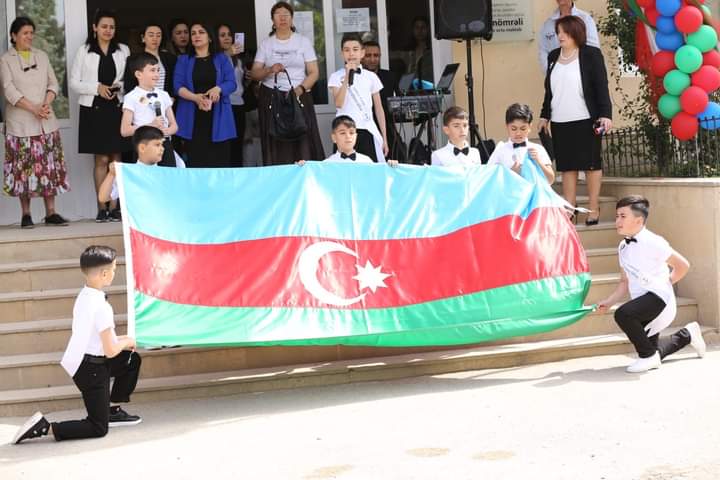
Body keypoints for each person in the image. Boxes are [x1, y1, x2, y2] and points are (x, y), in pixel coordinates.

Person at [13, 245, 142, 444]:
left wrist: (124, 342)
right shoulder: (102, 307)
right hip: (92, 369)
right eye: (114, 270)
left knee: (130, 360)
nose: (115, 273)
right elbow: (109, 350)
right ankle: (44, 428)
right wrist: (129, 340)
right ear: (104, 273)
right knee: (98, 427)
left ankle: (112, 410)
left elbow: (103, 341)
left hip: (85, 361)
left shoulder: (85, 294)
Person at [597, 195, 705, 373]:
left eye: (623, 216)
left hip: (658, 298)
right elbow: (624, 281)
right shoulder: (623, 247)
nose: (618, 220)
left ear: (638, 220)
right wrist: (609, 301)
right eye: (617, 216)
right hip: (642, 301)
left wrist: (666, 283)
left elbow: (682, 265)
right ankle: (688, 335)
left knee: (624, 315)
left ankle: (646, 357)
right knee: (653, 349)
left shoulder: (653, 241)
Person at [539, 15, 611, 225]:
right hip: (560, 120)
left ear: (576, 33)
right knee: (567, 166)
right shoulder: (553, 56)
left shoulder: (591, 55)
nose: (560, 36)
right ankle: (570, 207)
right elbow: (549, 91)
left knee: (590, 165)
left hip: (586, 118)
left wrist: (605, 114)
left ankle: (593, 207)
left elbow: (601, 86)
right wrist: (545, 115)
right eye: (558, 31)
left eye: (564, 32)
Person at [1, 16, 69, 228]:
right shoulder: (5, 59)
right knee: (24, 169)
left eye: (31, 32)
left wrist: (46, 104)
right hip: (20, 123)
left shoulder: (42, 56)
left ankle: (51, 213)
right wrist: (34, 108)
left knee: (49, 167)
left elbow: (54, 84)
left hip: (45, 121)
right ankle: (26, 214)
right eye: (24, 33)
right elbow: (8, 90)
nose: (29, 36)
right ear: (14, 36)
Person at [69, 9, 131, 223]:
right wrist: (97, 87)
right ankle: (102, 207)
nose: (108, 30)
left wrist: (116, 87)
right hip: (93, 108)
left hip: (116, 108)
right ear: (94, 28)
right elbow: (74, 83)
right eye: (104, 26)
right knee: (101, 159)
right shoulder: (84, 51)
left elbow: (129, 79)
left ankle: (116, 207)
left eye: (112, 27)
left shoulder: (123, 50)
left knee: (117, 158)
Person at [251, 1, 324, 165]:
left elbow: (314, 72)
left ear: (292, 19)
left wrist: (300, 89)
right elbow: (255, 74)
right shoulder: (266, 44)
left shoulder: (303, 41)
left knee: (304, 139)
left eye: (286, 15)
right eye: (278, 15)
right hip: (271, 96)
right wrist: (270, 69)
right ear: (273, 20)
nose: (282, 18)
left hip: (298, 94)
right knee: (275, 142)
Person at [174, 22, 236, 168]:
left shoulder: (222, 58)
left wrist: (218, 89)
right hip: (192, 114)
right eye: (193, 33)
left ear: (209, 37)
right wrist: (195, 98)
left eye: (201, 32)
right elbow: (177, 87)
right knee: (196, 161)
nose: (196, 36)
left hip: (218, 114)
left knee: (220, 161)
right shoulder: (183, 60)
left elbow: (232, 83)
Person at [329, 33, 388, 163]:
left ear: (362, 53)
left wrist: (384, 137)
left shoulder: (371, 77)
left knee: (369, 171)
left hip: (367, 130)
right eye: (347, 50)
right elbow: (339, 103)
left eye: (355, 49)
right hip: (345, 131)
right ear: (342, 54)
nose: (351, 54)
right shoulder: (335, 77)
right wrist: (346, 77)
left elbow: (379, 109)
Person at [120, 53, 178, 168]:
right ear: (138, 74)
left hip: (164, 144)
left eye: (158, 70)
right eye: (152, 70)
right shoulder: (131, 97)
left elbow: (174, 125)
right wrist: (150, 125)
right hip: (144, 145)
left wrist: (166, 131)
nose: (156, 74)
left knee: (168, 178)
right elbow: (125, 130)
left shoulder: (164, 95)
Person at [99, 126, 180, 205]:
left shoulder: (168, 173)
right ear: (142, 148)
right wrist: (111, 174)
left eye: (162, 144)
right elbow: (103, 198)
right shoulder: (128, 175)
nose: (162, 148)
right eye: (157, 144)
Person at [488, 103, 555, 184]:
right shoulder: (500, 151)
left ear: (530, 127)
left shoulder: (538, 149)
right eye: (514, 129)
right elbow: (489, 180)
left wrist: (538, 162)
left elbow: (550, 180)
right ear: (507, 127)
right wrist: (510, 174)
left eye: (523, 129)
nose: (518, 133)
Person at [362, 40, 404, 162]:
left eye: (376, 55)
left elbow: (398, 99)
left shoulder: (389, 76)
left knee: (399, 154)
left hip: (387, 124)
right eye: (368, 55)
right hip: (366, 127)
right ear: (361, 56)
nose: (372, 59)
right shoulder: (358, 77)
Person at [298, 116, 398, 166]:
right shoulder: (327, 164)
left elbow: (378, 179)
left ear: (356, 136)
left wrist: (390, 167)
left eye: (351, 133)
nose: (348, 136)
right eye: (342, 133)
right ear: (334, 137)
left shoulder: (366, 161)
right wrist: (303, 168)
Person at [538, 0, 600, 72]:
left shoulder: (585, 19)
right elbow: (543, 51)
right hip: (556, 76)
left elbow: (593, 50)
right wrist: (551, 73)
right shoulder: (548, 24)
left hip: (580, 75)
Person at [218, 23, 247, 167]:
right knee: (225, 146)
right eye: (222, 35)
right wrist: (226, 54)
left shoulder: (238, 60)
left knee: (237, 145)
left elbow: (239, 84)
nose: (227, 38)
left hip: (238, 105)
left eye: (229, 35)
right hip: (224, 105)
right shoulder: (216, 58)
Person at [123, 20, 177, 96]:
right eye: (151, 35)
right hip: (141, 104)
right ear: (143, 38)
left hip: (165, 104)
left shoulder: (170, 59)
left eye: (158, 35)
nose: (155, 38)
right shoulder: (133, 60)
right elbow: (129, 86)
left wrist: (171, 99)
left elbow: (173, 84)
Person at [405, 16, 433, 84]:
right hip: (410, 88)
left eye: (423, 27)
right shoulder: (408, 50)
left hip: (428, 87)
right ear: (413, 30)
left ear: (428, 29)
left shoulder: (433, 50)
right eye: (417, 27)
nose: (420, 31)